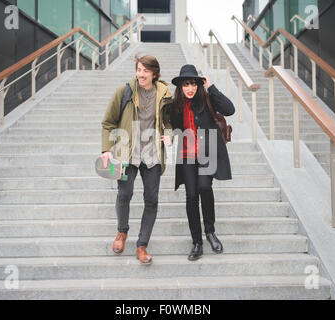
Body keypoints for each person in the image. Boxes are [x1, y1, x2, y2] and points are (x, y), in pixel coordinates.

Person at [101, 55, 173, 265]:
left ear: (154, 74)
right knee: (125, 194)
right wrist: (106, 149)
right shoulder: (124, 92)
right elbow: (107, 123)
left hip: (152, 154)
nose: (140, 74)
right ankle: (121, 233)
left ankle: (142, 245)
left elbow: (169, 122)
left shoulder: (165, 94)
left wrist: (169, 134)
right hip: (127, 153)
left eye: (145, 71)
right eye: (138, 69)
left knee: (152, 200)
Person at [170, 64, 235, 261]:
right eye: (186, 84)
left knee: (205, 188)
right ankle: (196, 241)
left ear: (199, 85)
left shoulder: (207, 100)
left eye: (193, 84)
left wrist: (212, 87)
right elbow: (171, 126)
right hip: (187, 156)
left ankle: (210, 232)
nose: (190, 88)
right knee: (191, 196)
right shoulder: (175, 106)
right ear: (180, 87)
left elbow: (229, 109)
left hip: (208, 153)